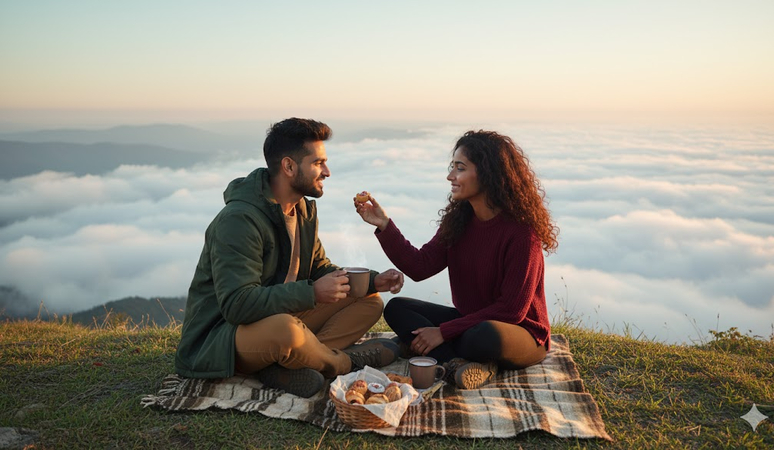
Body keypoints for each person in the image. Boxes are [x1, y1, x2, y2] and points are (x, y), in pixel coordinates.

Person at [175, 118, 403, 398]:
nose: (327, 172)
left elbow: (319, 268)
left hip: (281, 318)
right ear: (289, 166)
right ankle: (344, 362)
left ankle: (291, 365)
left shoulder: (303, 211)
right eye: (318, 163)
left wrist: (371, 281)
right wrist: (312, 292)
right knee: (287, 331)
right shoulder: (239, 221)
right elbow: (237, 305)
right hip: (224, 337)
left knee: (367, 301)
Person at [354, 130, 558, 390]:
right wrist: (383, 224)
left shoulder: (521, 233)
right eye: (452, 167)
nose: (450, 176)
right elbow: (420, 266)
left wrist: (443, 331)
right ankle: (457, 365)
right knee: (397, 308)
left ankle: (423, 350)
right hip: (470, 320)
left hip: (520, 333)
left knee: (482, 336)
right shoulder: (459, 221)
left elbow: (512, 310)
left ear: (487, 173)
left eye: (459, 168)